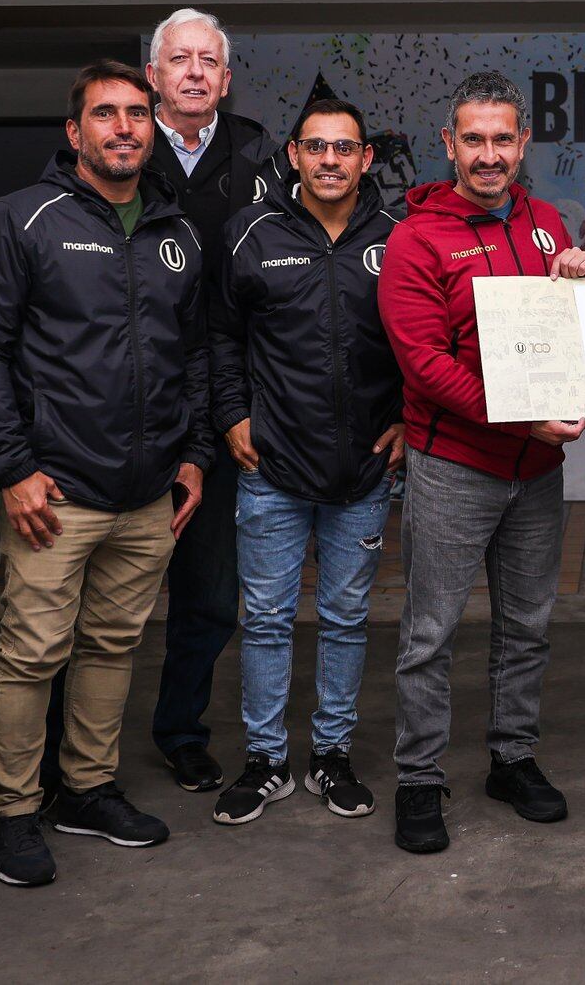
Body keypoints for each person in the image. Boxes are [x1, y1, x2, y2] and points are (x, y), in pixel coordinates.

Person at [0, 60, 212, 888]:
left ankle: (88, 788)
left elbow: (197, 353)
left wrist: (194, 454)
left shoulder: (175, 229)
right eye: (105, 115)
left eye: (137, 115)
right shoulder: (21, 219)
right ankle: (13, 810)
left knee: (111, 646)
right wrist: (13, 468)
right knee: (33, 651)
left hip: (146, 491)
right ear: (74, 132)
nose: (124, 129)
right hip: (55, 489)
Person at [377, 73, 585, 855]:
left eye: (504, 138)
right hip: (454, 465)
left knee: (527, 624)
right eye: (475, 139)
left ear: (523, 142)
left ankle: (512, 757)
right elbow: (424, 364)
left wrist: (580, 281)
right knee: (430, 632)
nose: (490, 154)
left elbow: (557, 338)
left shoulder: (545, 221)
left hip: (535, 469)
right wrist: (523, 416)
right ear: (449, 144)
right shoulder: (415, 238)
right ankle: (419, 778)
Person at [206, 98, 405, 826]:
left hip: (362, 471)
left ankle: (331, 755)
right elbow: (220, 335)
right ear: (292, 154)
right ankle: (264, 760)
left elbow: (423, 336)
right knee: (264, 618)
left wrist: (412, 417)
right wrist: (231, 413)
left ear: (365, 159)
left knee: (347, 616)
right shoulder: (250, 233)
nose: (329, 160)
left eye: (344, 148)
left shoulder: (397, 235)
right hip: (272, 468)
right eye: (316, 146)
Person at [141, 8, 274, 794]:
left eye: (208, 62)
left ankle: (182, 729)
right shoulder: (119, 142)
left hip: (223, 401)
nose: (193, 73)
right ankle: (69, 756)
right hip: (129, 401)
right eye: (177, 60)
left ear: (226, 78)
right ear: (153, 74)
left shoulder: (261, 155)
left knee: (210, 591)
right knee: (93, 604)